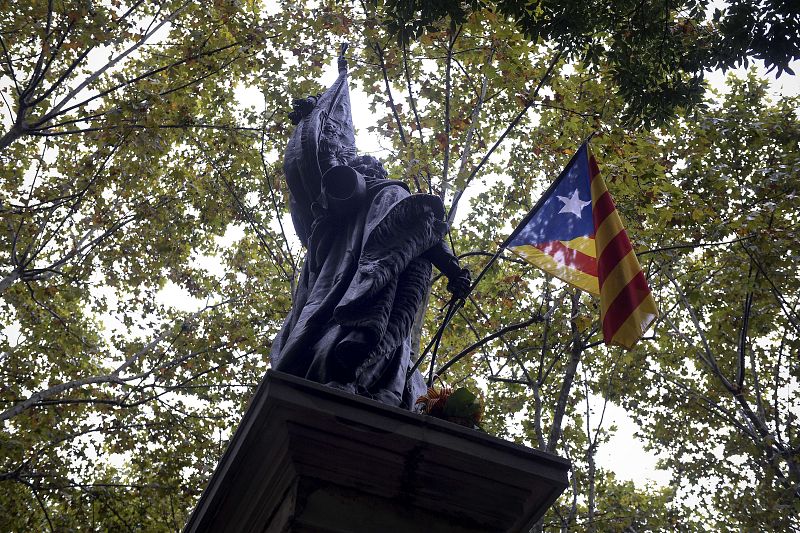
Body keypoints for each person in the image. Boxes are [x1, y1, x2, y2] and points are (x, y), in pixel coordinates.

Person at [270, 51, 470, 409]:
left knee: (393, 336)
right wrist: (311, 118)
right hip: (360, 283)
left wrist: (454, 271)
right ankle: (356, 379)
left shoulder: (383, 198)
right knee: (369, 332)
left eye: (369, 163)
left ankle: (380, 386)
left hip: (390, 283)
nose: (367, 165)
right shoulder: (367, 199)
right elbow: (322, 153)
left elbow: (424, 232)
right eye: (364, 163)